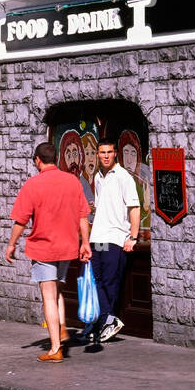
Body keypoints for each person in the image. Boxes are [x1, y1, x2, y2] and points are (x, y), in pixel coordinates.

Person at [5, 141, 91, 362]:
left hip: (44, 248)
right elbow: (83, 216)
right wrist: (85, 243)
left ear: (37, 160)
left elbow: (20, 220)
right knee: (58, 290)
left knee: (48, 296)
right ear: (57, 158)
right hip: (68, 246)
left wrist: (11, 244)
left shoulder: (33, 185)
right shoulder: (72, 182)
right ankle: (62, 328)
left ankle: (55, 349)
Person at [86, 139, 142, 349]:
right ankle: (106, 321)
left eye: (109, 152)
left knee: (110, 281)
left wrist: (133, 237)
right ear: (98, 155)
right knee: (97, 280)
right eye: (102, 152)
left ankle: (107, 320)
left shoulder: (123, 177)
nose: (106, 156)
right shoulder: (98, 176)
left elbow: (134, 207)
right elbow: (102, 205)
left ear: (115, 154)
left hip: (115, 238)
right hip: (98, 237)